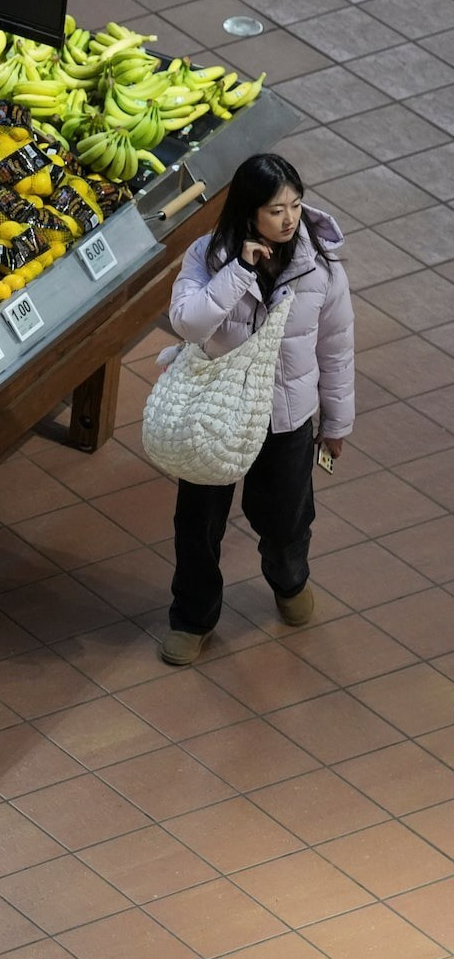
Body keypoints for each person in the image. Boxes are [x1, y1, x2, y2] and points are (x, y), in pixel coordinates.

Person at [159, 153, 354, 666]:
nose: (289, 218)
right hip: (216, 415)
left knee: (287, 519)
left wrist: (336, 422)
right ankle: (192, 617)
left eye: (295, 205)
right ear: (249, 213)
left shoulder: (321, 265)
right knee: (198, 524)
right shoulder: (206, 256)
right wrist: (240, 271)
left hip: (286, 417)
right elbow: (188, 322)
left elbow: (336, 345)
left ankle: (290, 582)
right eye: (275, 209)